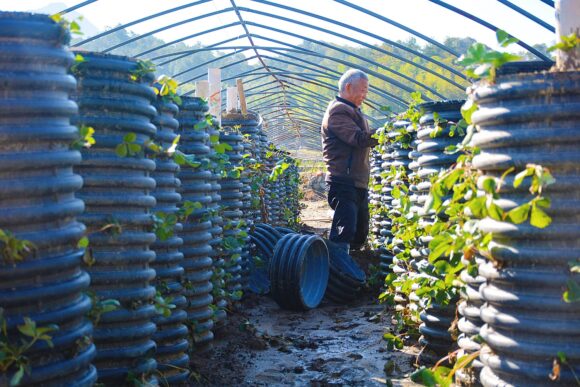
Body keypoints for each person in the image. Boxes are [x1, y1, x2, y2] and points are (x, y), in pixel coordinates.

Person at [321, 69, 378, 254]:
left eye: (366, 90)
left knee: (359, 232)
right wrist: (384, 135)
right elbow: (358, 138)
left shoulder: (354, 110)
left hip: (357, 182)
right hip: (344, 181)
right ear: (348, 87)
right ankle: (337, 272)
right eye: (362, 89)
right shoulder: (338, 111)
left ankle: (353, 271)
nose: (365, 94)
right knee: (344, 231)